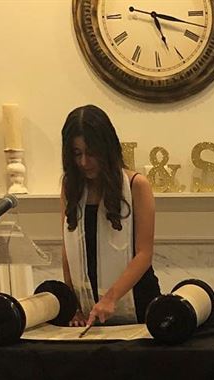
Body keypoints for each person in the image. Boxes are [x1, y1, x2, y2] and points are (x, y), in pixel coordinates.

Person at [60, 104, 160, 326]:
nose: (84, 162)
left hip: (138, 302)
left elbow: (144, 254)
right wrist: (73, 305)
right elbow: (68, 250)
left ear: (107, 148)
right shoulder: (70, 187)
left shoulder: (137, 185)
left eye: (91, 153)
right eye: (77, 154)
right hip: (89, 307)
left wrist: (110, 298)